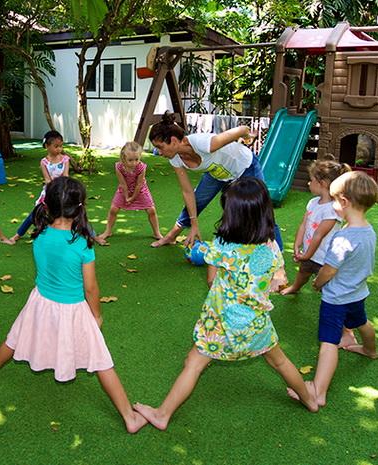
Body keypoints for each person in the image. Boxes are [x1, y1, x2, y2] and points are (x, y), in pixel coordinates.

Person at [133, 178, 318, 431]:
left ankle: (163, 414)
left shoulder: (221, 244)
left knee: (194, 363)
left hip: (220, 322)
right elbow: (276, 280)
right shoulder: (271, 246)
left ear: (230, 213)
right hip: (256, 323)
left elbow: (211, 281)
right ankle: (309, 399)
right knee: (280, 361)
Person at [0, 177, 148, 433]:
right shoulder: (82, 243)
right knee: (102, 361)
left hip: (40, 302)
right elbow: (91, 287)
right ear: (79, 208)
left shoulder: (40, 234)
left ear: (49, 205)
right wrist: (97, 315)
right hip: (74, 309)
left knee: (15, 338)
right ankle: (129, 417)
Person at [288, 171, 378, 408]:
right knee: (362, 322)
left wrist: (317, 283)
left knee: (328, 342)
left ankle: (318, 391)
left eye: (334, 201)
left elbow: (328, 270)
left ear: (344, 203)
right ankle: (370, 350)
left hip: (336, 298)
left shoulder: (342, 238)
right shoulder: (369, 231)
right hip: (358, 292)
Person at [147, 112, 282, 250]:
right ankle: (171, 236)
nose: (159, 152)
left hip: (246, 167)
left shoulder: (205, 143)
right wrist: (194, 225)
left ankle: (278, 253)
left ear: (174, 141)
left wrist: (248, 137)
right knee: (197, 200)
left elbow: (242, 129)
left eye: (160, 147)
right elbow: (187, 191)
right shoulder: (174, 158)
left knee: (261, 208)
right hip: (217, 174)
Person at [281, 160, 351, 295]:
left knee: (326, 283)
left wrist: (306, 255)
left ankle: (334, 300)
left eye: (311, 180)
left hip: (324, 257)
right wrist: (297, 245)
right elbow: (304, 225)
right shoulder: (313, 203)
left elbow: (319, 235)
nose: (308, 183)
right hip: (309, 253)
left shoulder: (333, 209)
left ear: (322, 184)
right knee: (303, 271)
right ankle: (295, 287)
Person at [10, 130, 70, 243]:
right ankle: (18, 235)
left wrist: (63, 188)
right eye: (56, 146)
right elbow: (47, 180)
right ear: (47, 146)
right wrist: (54, 189)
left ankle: (89, 235)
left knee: (73, 212)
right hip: (49, 191)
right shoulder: (44, 162)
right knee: (35, 214)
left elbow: (66, 176)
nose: (59, 149)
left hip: (63, 190)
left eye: (61, 146)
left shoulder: (65, 159)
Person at [99, 141, 162, 242]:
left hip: (140, 190)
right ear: (124, 158)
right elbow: (123, 184)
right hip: (124, 190)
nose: (134, 163)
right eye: (130, 160)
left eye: (137, 159)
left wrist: (132, 198)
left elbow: (138, 185)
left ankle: (157, 233)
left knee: (151, 210)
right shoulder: (119, 167)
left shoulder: (141, 167)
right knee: (113, 209)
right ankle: (108, 231)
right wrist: (126, 196)